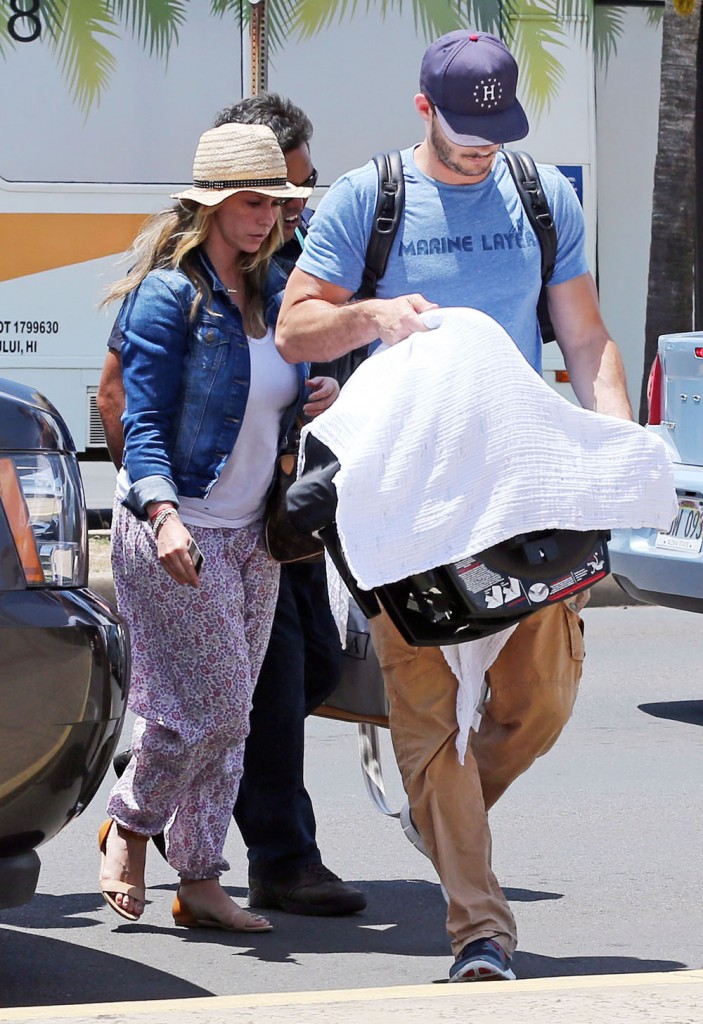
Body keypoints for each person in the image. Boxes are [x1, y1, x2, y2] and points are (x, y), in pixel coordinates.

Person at [275, 30, 634, 980]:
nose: (482, 148)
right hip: (404, 501)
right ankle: (480, 931)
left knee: (540, 703)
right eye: (465, 131)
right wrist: (372, 316)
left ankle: (444, 811)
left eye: (497, 131)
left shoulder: (538, 196)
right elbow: (295, 325)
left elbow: (587, 342)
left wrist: (611, 461)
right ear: (423, 108)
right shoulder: (368, 198)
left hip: (521, 495)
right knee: (428, 716)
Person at [97, 94, 366, 917]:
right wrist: (162, 514)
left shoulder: (278, 289)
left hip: (257, 535)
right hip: (179, 530)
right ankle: (129, 827)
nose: (272, 218)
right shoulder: (166, 297)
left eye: (281, 203)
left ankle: (201, 881)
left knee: (236, 720)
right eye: (255, 203)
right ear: (212, 205)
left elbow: (271, 394)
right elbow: (137, 420)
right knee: (209, 711)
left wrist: (313, 393)